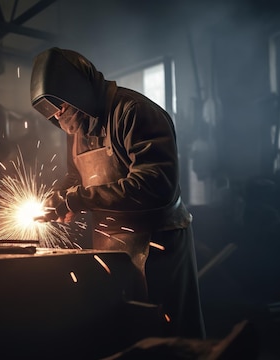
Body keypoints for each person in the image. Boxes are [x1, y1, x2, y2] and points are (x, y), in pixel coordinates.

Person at [30, 47, 206, 339]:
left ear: (76, 90)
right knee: (125, 332)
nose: (58, 115)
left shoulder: (134, 112)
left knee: (166, 334)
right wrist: (60, 193)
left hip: (157, 244)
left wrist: (76, 199)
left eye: (60, 105)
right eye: (51, 109)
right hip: (110, 247)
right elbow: (77, 175)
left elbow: (156, 184)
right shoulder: (77, 128)